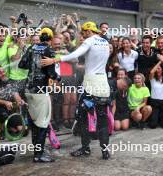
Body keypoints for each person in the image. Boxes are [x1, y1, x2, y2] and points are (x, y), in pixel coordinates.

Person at [41, 21, 111, 160]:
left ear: (88, 31)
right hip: (103, 84)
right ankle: (105, 150)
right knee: (102, 119)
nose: (83, 36)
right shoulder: (104, 42)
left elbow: (75, 55)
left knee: (82, 117)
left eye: (84, 33)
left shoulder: (89, 41)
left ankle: (85, 149)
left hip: (91, 84)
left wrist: (55, 60)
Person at [19, 27, 59, 162]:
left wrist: (34, 66)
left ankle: (37, 151)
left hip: (28, 90)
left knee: (35, 123)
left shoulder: (31, 48)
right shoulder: (49, 50)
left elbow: (21, 64)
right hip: (40, 91)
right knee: (42, 124)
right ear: (51, 39)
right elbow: (52, 74)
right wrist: (58, 78)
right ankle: (38, 155)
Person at [148, 54, 163, 129]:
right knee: (153, 125)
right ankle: (156, 119)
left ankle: (162, 119)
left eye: (159, 68)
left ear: (162, 70)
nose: (158, 70)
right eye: (156, 68)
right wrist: (159, 62)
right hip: (154, 102)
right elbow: (152, 72)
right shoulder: (152, 79)